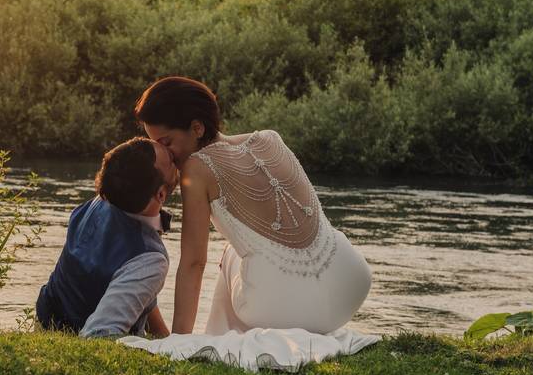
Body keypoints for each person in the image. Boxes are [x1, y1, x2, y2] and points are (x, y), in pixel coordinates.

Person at [134, 76, 372, 335]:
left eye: (166, 143)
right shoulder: (270, 138)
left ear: (197, 128)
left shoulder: (196, 169)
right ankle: (223, 334)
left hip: (281, 312)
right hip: (350, 283)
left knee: (231, 253)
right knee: (250, 247)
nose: (165, 154)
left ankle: (216, 336)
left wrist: (179, 340)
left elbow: (194, 263)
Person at [35, 137, 178, 338]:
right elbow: (98, 334)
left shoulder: (99, 202)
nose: (175, 157)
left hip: (45, 320)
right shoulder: (149, 257)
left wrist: (165, 337)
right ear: (161, 195)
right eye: (171, 160)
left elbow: (136, 287)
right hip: (74, 336)